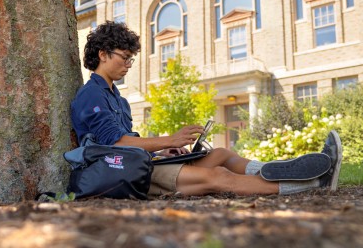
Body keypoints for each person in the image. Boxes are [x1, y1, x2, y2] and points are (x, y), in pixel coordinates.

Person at [70, 21, 342, 196]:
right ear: (103, 54)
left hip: (138, 165)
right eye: (125, 58)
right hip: (119, 175)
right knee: (218, 176)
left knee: (221, 153)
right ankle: (312, 184)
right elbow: (116, 144)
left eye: (131, 60)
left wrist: (165, 150)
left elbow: (130, 144)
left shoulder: (119, 99)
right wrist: (171, 139)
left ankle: (276, 168)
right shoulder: (90, 94)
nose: (129, 65)